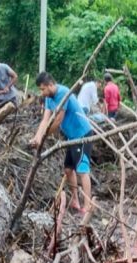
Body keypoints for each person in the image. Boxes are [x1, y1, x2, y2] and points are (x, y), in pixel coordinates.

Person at [30, 71, 93, 215]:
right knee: (68, 170)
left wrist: (44, 137)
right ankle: (75, 201)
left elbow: (57, 120)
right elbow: (45, 119)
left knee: (82, 171)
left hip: (82, 135)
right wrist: (37, 137)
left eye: (42, 89)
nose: (42, 92)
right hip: (72, 137)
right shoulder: (49, 98)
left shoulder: (63, 93)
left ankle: (88, 206)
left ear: (51, 85)